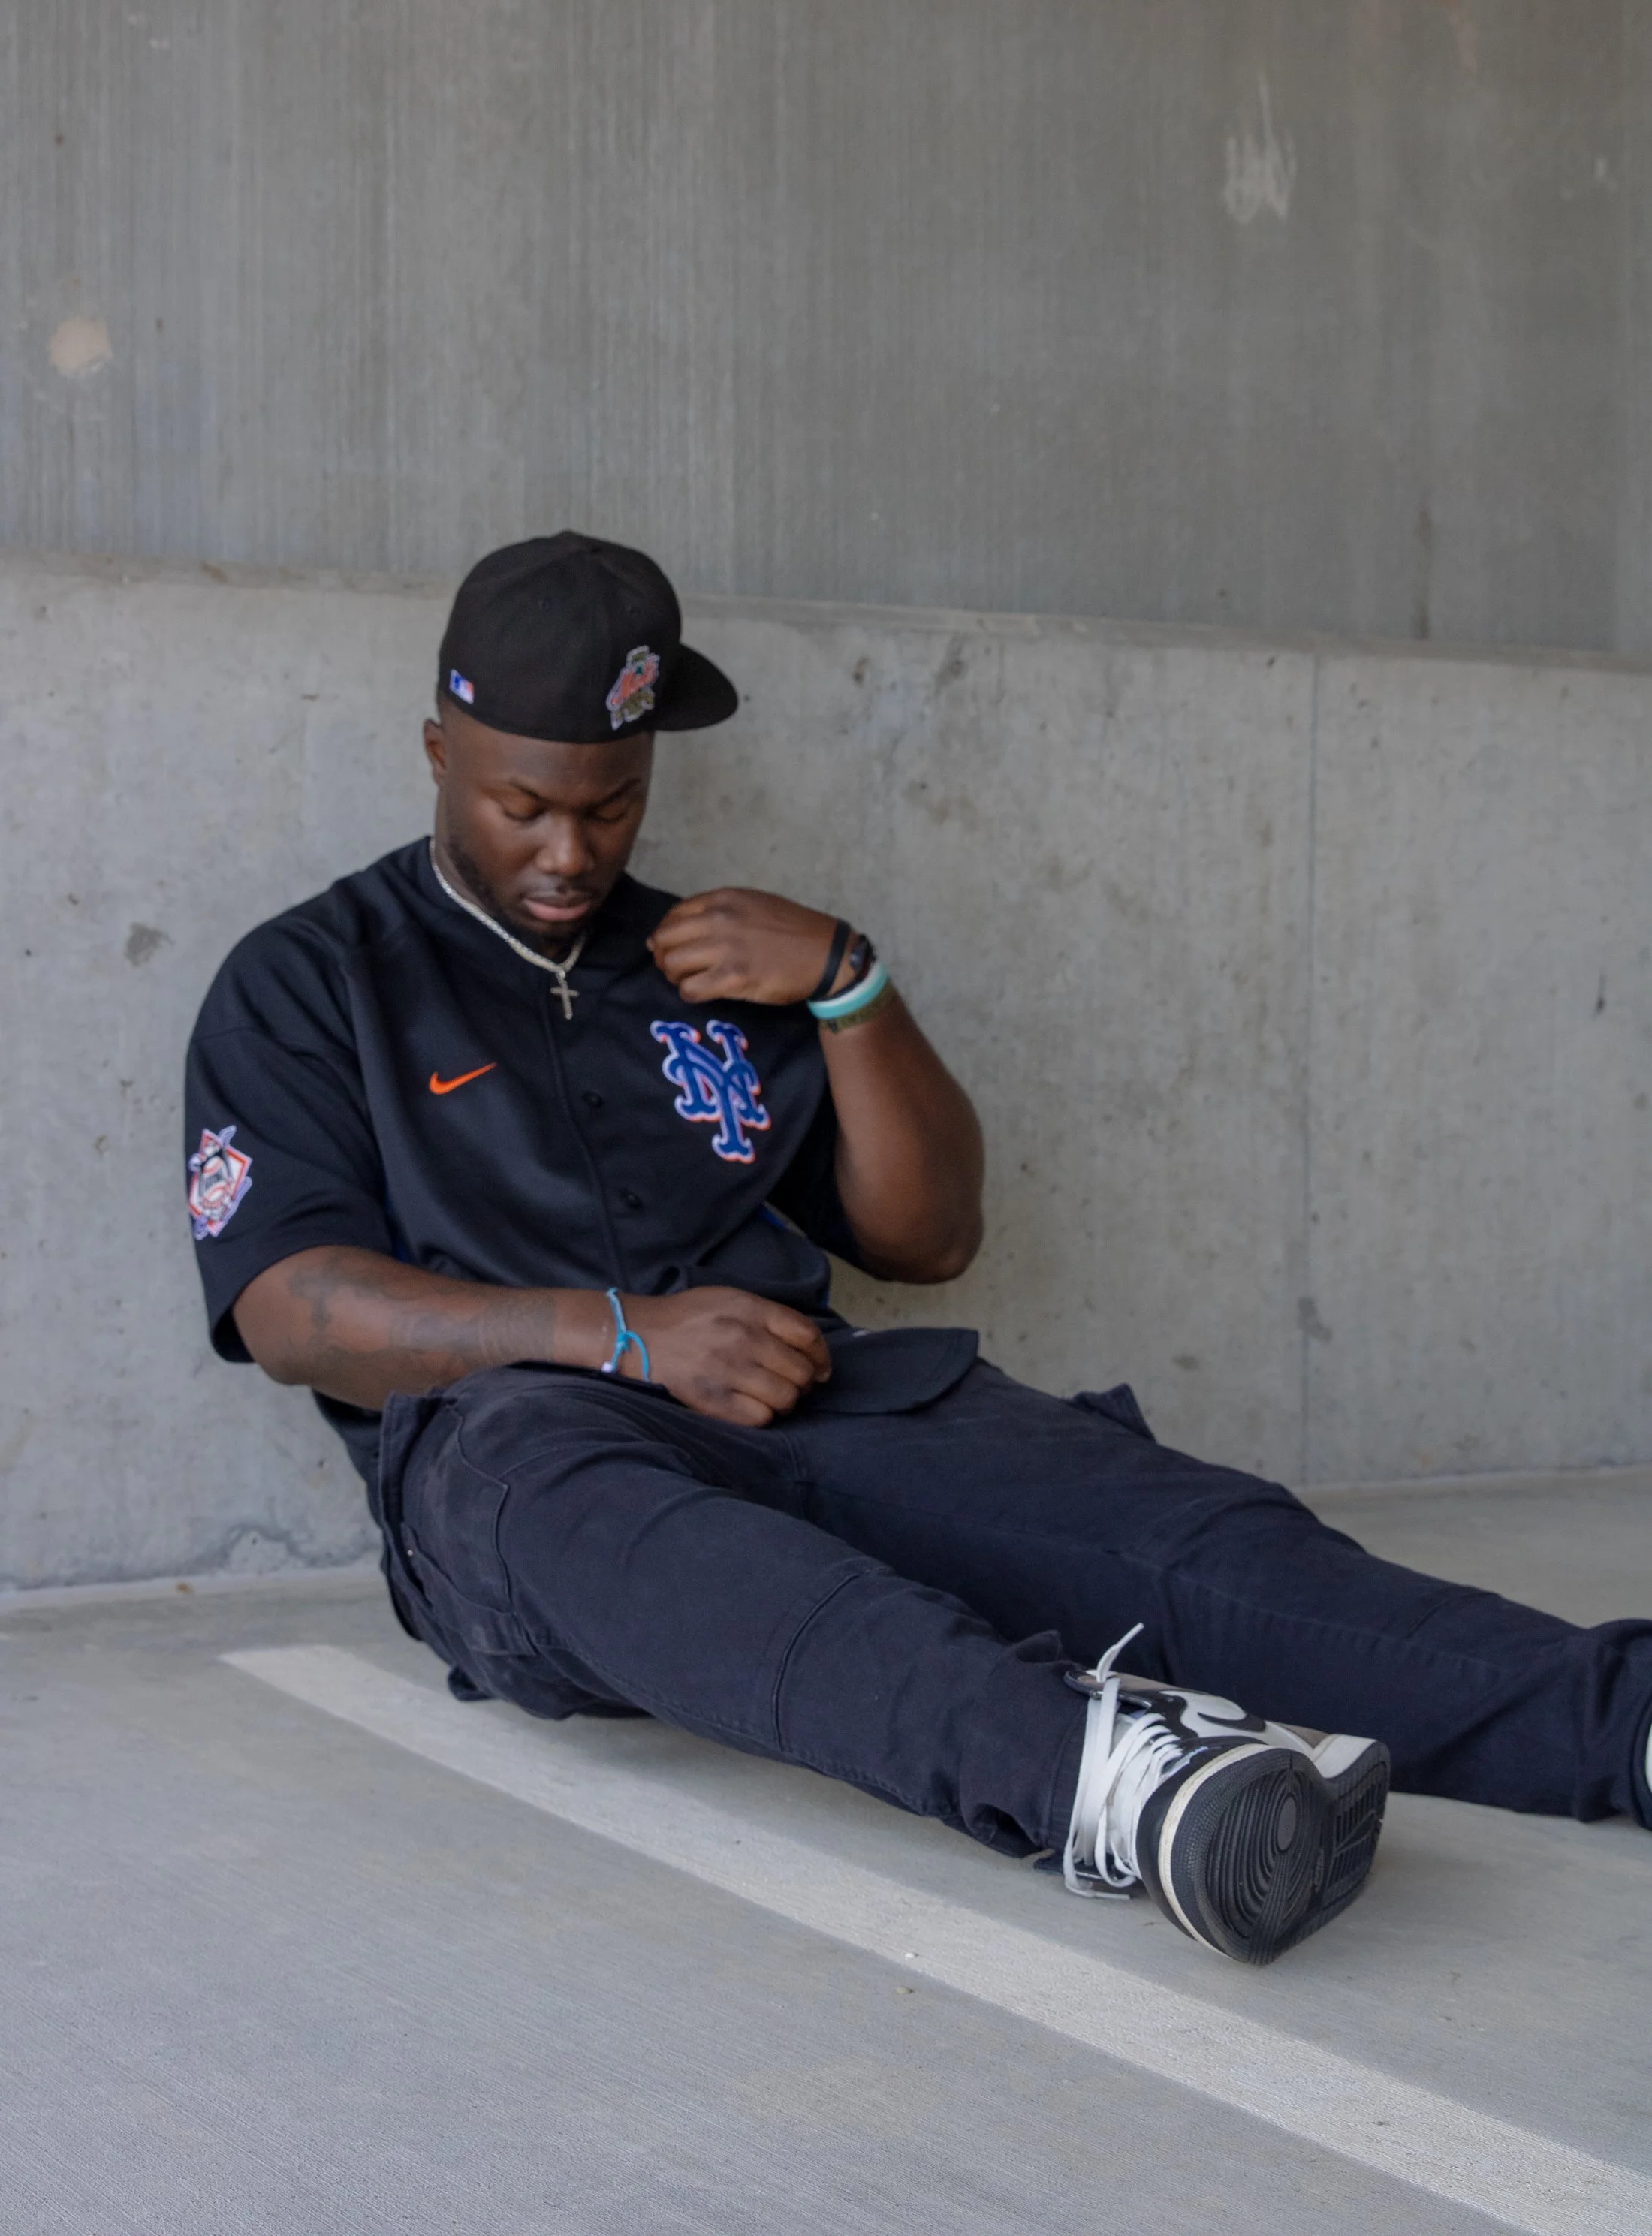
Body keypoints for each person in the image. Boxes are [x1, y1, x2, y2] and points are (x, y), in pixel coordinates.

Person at [185, 532, 1652, 1968]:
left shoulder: (710, 957)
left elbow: (929, 1237)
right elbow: (292, 1309)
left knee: (1195, 1542)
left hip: (815, 1399)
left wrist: (851, 987)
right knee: (534, 1483)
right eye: (523, 807)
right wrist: (621, 1335)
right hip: (531, 1461)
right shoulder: (310, 981)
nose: (570, 853)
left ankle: (1615, 1722)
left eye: (612, 807)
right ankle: (1125, 1788)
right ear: (437, 752)